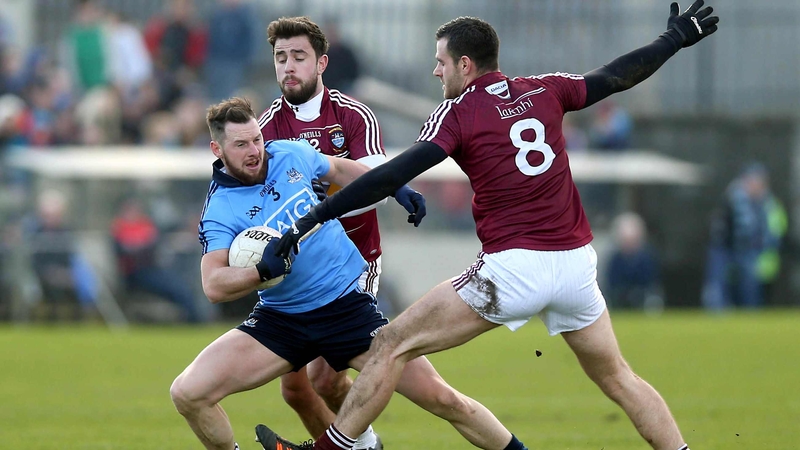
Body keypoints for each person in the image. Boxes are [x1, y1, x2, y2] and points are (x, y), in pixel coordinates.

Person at [262, 3, 719, 450]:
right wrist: (673, 39)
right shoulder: (545, 89)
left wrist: (315, 216)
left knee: (389, 344)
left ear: (465, 64)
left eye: (441, 62)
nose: (436, 71)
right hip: (576, 267)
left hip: (513, 269)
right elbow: (617, 76)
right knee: (619, 378)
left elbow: (388, 174)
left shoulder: (458, 112)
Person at [170, 96, 528, 450]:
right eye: (241, 145)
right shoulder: (219, 208)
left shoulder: (289, 153)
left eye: (257, 139)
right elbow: (213, 285)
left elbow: (342, 171)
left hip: (345, 308)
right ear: (217, 149)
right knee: (187, 393)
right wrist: (260, 271)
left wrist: (394, 186)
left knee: (444, 399)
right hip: (281, 320)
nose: (254, 151)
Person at [257, 16, 398, 450]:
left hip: (353, 262)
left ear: (321, 63)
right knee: (295, 390)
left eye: (298, 56)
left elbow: (377, 189)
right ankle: (363, 445)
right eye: (281, 57)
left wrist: (322, 195)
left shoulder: (353, 115)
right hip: (300, 269)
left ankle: (360, 444)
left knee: (324, 378)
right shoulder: (265, 128)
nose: (288, 66)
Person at [702, 163, 784, 309]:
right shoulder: (732, 198)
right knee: (718, 283)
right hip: (724, 248)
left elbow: (769, 230)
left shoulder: (767, 203)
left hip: (748, 251)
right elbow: (720, 225)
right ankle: (718, 310)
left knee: (750, 286)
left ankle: (750, 312)